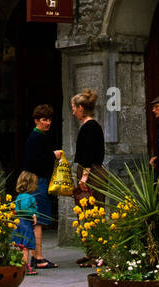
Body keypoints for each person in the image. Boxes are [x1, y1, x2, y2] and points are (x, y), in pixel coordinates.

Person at [23, 104, 62, 268]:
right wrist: (53, 155)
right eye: (44, 119)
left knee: (35, 219)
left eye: (49, 119)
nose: (48, 123)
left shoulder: (38, 136)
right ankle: (38, 257)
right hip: (37, 181)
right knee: (36, 220)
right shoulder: (37, 137)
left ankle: (36, 256)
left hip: (37, 180)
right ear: (36, 120)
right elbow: (35, 162)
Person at [71, 88, 106, 266]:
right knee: (86, 213)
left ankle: (97, 256)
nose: (73, 111)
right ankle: (91, 252)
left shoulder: (90, 127)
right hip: (90, 170)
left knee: (92, 212)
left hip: (91, 172)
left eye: (74, 107)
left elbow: (90, 154)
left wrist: (84, 177)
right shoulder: (89, 126)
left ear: (81, 108)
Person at [14, 172, 39, 274]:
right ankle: (24, 267)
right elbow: (24, 209)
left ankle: (20, 265)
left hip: (19, 222)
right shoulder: (28, 197)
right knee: (25, 247)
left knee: (21, 245)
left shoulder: (19, 196)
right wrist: (33, 214)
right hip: (26, 224)